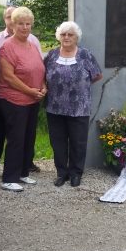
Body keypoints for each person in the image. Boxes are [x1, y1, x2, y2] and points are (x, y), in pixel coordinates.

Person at [0, 6, 43, 178]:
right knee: (16, 139)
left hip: (32, 100)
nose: (24, 27)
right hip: (13, 100)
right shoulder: (7, 47)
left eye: (28, 24)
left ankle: (23, 173)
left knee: (28, 138)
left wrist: (43, 86)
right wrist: (30, 90)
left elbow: (40, 68)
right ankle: (10, 177)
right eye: (20, 24)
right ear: (13, 24)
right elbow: (8, 77)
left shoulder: (32, 45)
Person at [44, 21, 102, 187]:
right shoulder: (52, 55)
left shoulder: (85, 55)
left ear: (77, 37)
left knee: (78, 142)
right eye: (63, 34)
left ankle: (76, 173)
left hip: (79, 108)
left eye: (70, 34)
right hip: (55, 107)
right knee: (58, 142)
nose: (66, 37)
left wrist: (80, 88)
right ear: (59, 37)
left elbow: (97, 75)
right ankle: (62, 173)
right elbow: (43, 75)